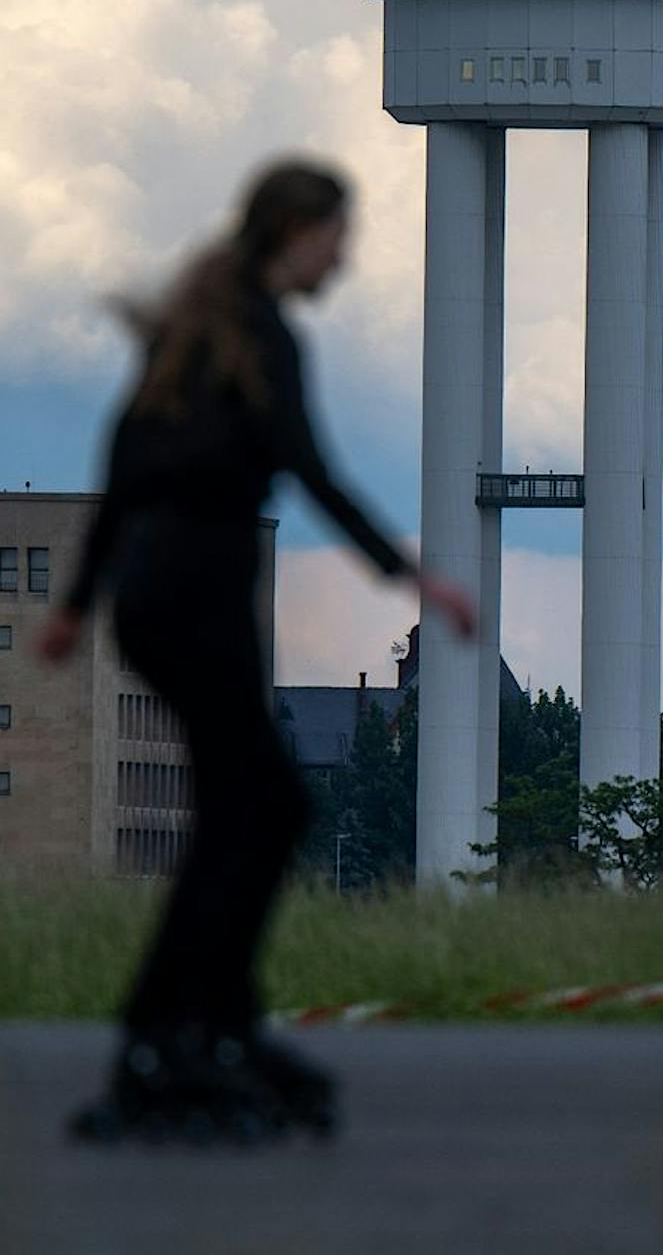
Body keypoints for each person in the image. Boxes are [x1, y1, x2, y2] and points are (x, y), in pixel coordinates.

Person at [38, 158, 475, 1143]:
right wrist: (415, 578)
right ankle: (172, 1036)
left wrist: (76, 605)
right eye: (336, 237)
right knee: (262, 807)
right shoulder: (257, 336)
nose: (344, 257)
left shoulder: (196, 332)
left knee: (249, 808)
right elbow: (312, 471)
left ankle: (208, 1028)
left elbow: (122, 463)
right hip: (195, 601)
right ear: (294, 231)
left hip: (159, 601)